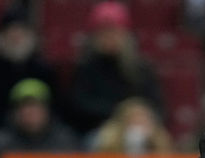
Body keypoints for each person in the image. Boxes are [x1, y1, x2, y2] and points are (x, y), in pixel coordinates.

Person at [66, 1, 162, 135]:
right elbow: (78, 108)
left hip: (137, 129)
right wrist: (119, 114)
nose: (109, 37)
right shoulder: (86, 68)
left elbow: (157, 106)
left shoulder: (140, 68)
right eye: (103, 31)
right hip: (98, 131)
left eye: (114, 31)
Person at [0, 7, 58, 132]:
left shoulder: (44, 70)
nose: (16, 38)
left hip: (41, 136)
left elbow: (55, 109)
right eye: (11, 33)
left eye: (21, 33)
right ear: (1, 36)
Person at [0, 78, 77, 152]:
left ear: (47, 110)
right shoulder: (1, 143)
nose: (28, 113)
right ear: (14, 113)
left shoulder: (64, 141)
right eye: (22, 108)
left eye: (34, 107)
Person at [87, 96, 173, 155]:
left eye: (143, 120)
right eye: (134, 119)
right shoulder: (104, 138)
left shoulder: (160, 139)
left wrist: (152, 143)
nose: (138, 123)